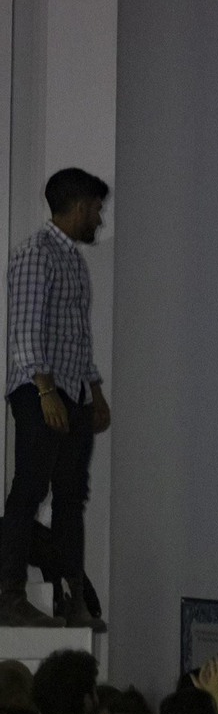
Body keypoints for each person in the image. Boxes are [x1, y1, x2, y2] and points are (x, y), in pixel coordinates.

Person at [0, 167, 111, 629]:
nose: (99, 221)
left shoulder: (72, 260)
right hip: (40, 391)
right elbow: (25, 334)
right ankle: (9, 595)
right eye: (97, 210)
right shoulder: (35, 254)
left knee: (71, 497)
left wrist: (95, 391)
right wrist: (45, 391)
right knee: (29, 490)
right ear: (80, 205)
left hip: (73, 392)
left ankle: (72, 600)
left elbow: (75, 338)